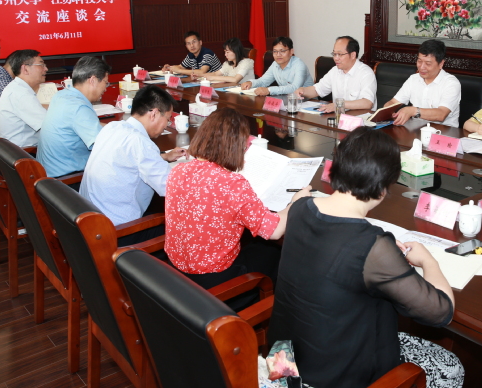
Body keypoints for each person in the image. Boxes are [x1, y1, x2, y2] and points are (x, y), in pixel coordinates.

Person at [268, 127, 464, 388]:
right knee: (451, 366)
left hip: (284, 366)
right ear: (383, 187)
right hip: (331, 379)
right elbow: (441, 312)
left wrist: (381, 251)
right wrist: (429, 261)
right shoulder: (372, 246)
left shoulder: (300, 207)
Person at [165, 107, 311, 289]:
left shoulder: (178, 170)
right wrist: (296, 202)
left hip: (175, 270)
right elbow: (274, 231)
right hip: (214, 279)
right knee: (276, 251)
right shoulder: (232, 184)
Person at [80, 85, 187, 246]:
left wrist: (163, 157)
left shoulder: (112, 127)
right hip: (117, 233)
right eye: (168, 118)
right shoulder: (141, 143)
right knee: (183, 227)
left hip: (90, 223)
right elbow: (171, 188)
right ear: (154, 114)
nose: (167, 124)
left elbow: (127, 159)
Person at [37, 56, 110, 178]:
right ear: (93, 80)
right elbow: (102, 146)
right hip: (66, 180)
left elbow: (90, 125)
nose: (106, 88)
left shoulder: (61, 95)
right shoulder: (79, 107)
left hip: (48, 174)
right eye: (105, 83)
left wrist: (114, 128)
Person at [382, 39, 461, 127]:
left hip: (443, 131)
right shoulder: (413, 79)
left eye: (428, 63)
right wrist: (389, 112)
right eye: (419, 61)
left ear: (441, 64)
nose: (422, 67)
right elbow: (393, 102)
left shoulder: (451, 83)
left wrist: (413, 111)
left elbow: (441, 114)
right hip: (416, 129)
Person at [295, 35, 377, 112]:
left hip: (360, 119)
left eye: (340, 54)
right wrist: (303, 91)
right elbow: (318, 90)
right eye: (334, 54)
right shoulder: (335, 71)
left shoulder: (366, 73)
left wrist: (339, 104)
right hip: (339, 117)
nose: (335, 58)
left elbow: (367, 103)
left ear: (353, 55)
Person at [0, 50, 48, 147]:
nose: (46, 69)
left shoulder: (17, 87)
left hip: (11, 149)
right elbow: (50, 126)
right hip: (24, 152)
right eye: (41, 65)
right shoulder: (21, 94)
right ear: (25, 69)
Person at [241, 36, 313, 96]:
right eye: (275, 51)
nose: (278, 55)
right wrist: (251, 83)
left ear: (291, 52)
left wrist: (269, 90)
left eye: (282, 51)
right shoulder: (275, 64)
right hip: (287, 99)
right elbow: (263, 81)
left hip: (307, 101)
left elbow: (295, 88)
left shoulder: (299, 65)